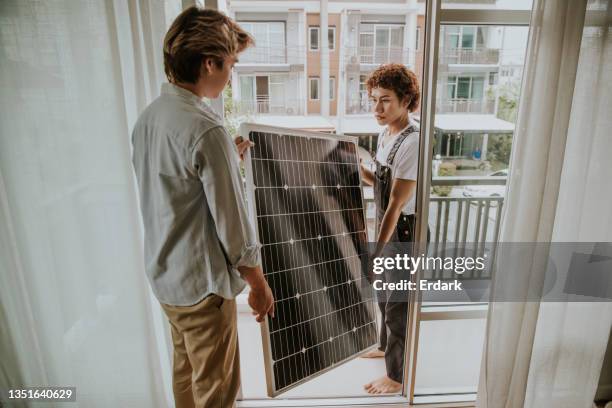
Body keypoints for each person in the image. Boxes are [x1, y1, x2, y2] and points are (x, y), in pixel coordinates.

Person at [131, 7, 274, 408]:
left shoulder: (150, 118)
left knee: (186, 375)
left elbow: (176, 186)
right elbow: (233, 227)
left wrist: (227, 155)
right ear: (209, 63)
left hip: (167, 279)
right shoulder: (205, 129)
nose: (231, 74)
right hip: (203, 287)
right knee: (216, 391)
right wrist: (258, 285)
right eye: (231, 64)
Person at [360, 63, 422, 394]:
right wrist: (358, 171)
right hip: (388, 226)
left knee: (398, 305)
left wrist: (377, 251)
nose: (377, 109)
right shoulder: (387, 134)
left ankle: (397, 377)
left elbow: (396, 204)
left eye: (385, 100)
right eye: (374, 100)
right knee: (383, 295)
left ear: (406, 99)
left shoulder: (413, 141)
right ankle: (384, 348)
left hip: (404, 231)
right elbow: (381, 184)